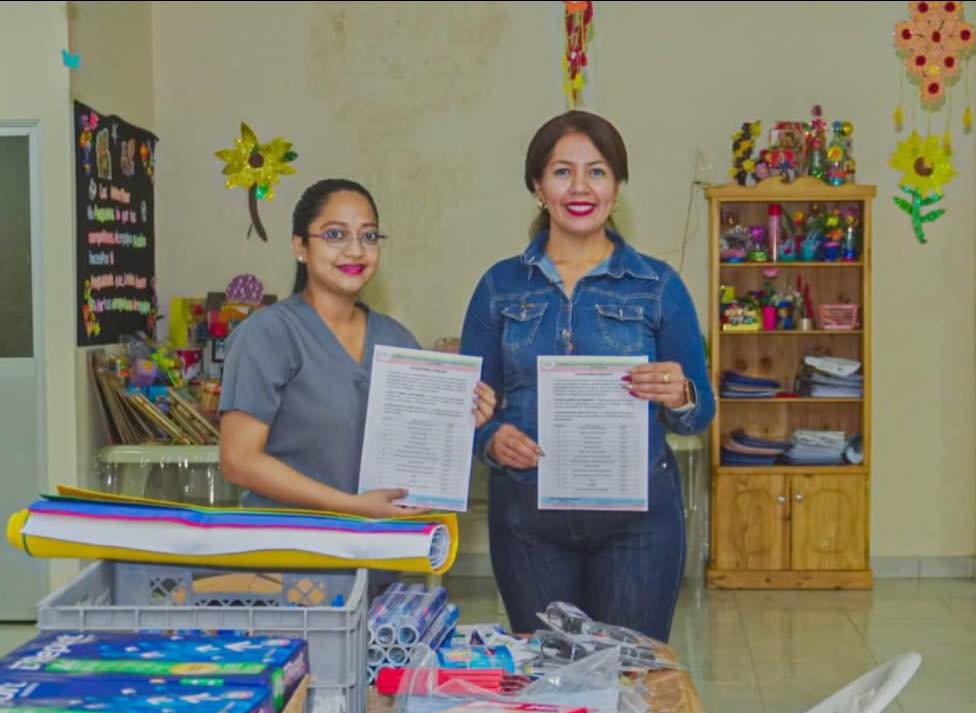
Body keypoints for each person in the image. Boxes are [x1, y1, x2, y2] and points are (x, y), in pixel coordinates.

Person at [460, 111, 716, 642]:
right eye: (562, 172)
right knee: (548, 675)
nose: (580, 187)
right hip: (527, 522)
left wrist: (681, 393)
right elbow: (469, 408)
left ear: (617, 188)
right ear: (538, 187)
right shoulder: (499, 287)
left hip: (638, 524)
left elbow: (700, 414)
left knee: (630, 675)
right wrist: (491, 439)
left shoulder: (658, 286)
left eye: (596, 172)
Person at [220, 178, 496, 517]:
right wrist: (351, 507)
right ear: (300, 246)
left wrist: (460, 420)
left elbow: (414, 458)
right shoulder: (268, 334)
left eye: (369, 236)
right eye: (335, 234)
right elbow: (238, 460)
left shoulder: (397, 341)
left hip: (380, 545)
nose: (355, 251)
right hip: (291, 543)